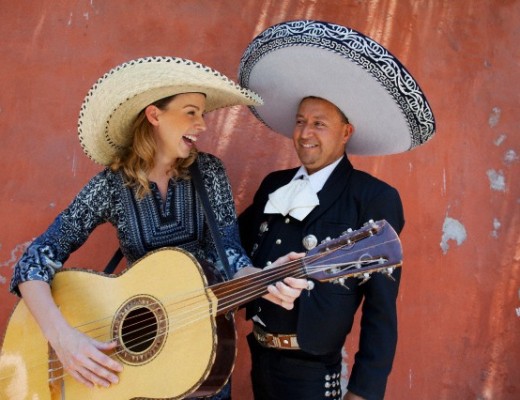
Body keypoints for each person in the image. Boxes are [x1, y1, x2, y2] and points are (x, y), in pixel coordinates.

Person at [7, 56, 307, 399]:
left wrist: (265, 278)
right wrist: (64, 339)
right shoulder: (111, 186)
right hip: (137, 366)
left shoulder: (209, 173)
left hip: (203, 356)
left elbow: (230, 259)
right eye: (191, 111)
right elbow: (33, 263)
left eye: (203, 114)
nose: (202, 125)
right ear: (154, 115)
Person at [237, 20, 436, 400]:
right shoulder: (273, 185)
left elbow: (381, 308)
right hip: (259, 358)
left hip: (313, 373)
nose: (305, 133)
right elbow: (234, 251)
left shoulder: (373, 197)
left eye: (319, 124)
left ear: (346, 132)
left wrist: (364, 391)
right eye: (300, 122)